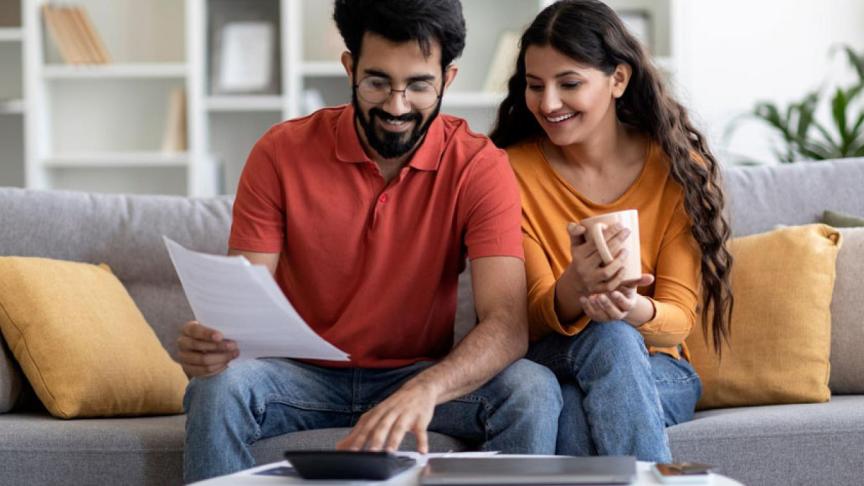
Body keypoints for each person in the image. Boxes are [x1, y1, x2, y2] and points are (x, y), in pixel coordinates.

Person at [179, 0, 562, 482]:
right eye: (377, 81)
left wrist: (425, 389)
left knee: (533, 388)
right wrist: (215, 344)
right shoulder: (280, 152)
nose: (396, 106)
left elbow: (507, 325)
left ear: (448, 79)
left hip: (417, 372)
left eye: (419, 85)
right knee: (219, 387)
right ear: (349, 68)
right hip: (299, 377)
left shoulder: (478, 165)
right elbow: (241, 310)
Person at [489, 0, 734, 463]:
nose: (548, 103)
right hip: (555, 356)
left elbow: (679, 318)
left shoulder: (678, 171)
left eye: (569, 83)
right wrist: (574, 289)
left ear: (618, 79)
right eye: (534, 85)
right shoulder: (508, 171)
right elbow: (530, 319)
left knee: (603, 362)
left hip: (658, 366)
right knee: (606, 339)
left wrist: (633, 307)